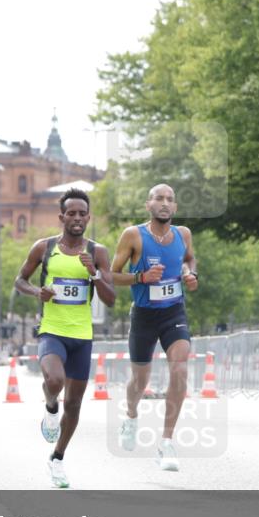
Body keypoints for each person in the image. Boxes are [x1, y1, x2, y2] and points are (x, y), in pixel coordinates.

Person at [14, 187, 115, 487]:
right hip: (52, 331)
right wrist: (37, 291)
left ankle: (57, 458)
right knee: (55, 382)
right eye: (71, 213)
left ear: (88, 217)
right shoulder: (44, 248)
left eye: (82, 214)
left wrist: (95, 274)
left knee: (74, 404)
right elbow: (20, 280)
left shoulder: (98, 252)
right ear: (61, 217)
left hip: (82, 335)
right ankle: (49, 407)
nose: (77, 218)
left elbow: (110, 299)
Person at [110, 183, 198, 472]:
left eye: (170, 199)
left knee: (181, 366)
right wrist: (141, 278)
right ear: (148, 205)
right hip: (144, 315)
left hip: (174, 311)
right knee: (140, 381)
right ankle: (131, 416)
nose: (164, 203)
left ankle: (166, 442)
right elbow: (112, 275)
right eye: (158, 198)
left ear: (175, 208)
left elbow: (188, 259)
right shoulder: (134, 235)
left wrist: (190, 273)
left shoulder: (183, 234)